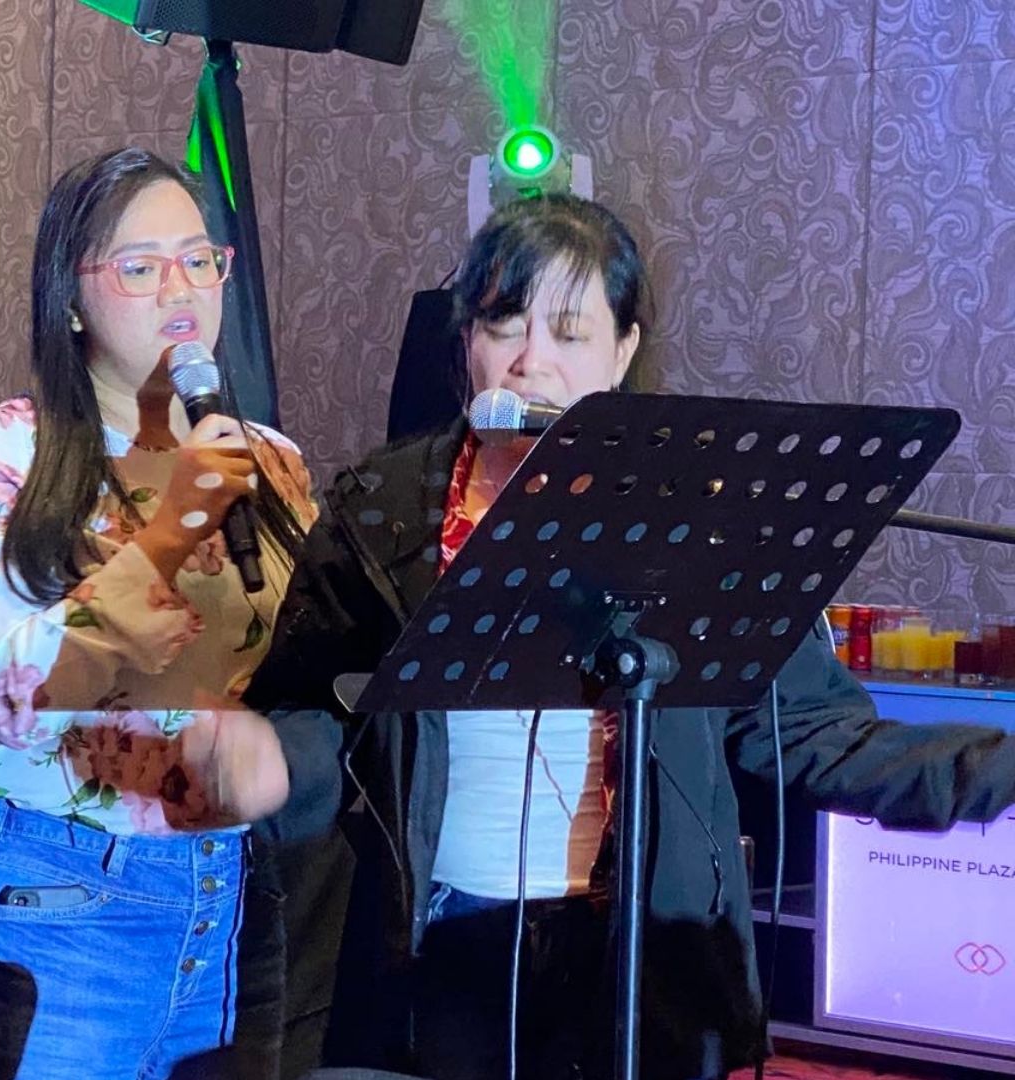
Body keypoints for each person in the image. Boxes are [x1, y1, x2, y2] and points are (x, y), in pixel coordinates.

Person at [246, 191, 1015, 1080]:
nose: (530, 362)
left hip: (646, 960)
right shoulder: (385, 510)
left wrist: (993, 771)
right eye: (503, 326)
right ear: (466, 343)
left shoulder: (697, 522)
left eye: (570, 333)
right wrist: (250, 765)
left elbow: (813, 733)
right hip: (437, 950)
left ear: (622, 351)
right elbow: (311, 713)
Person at [0, 147, 339, 1078]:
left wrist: (279, 749)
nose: (180, 287)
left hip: (231, 902)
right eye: (141, 266)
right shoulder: (4, 448)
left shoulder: (270, 461)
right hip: (59, 899)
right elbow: (6, 699)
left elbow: (314, 671)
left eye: (199, 259)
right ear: (72, 300)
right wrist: (173, 525)